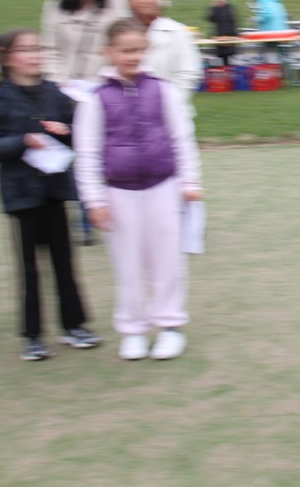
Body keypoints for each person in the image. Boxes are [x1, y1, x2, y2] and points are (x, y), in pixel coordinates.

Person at [74, 19, 203, 361]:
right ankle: (133, 329)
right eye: (125, 50)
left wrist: (190, 182)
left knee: (167, 260)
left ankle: (169, 325)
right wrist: (94, 201)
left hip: (163, 186)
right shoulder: (95, 99)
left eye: (139, 50)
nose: (133, 57)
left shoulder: (163, 90)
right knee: (127, 264)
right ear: (109, 52)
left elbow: (182, 139)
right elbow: (87, 153)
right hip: (119, 192)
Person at [0, 29, 102, 361]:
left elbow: (79, 134)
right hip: (22, 194)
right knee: (29, 267)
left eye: (38, 49)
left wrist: (67, 131)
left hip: (54, 190)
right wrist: (23, 141)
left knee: (64, 261)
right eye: (26, 50)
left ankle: (73, 326)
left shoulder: (55, 93)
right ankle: (33, 336)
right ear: (8, 58)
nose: (34, 55)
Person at [40, 0, 130, 87]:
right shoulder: (53, 8)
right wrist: (58, 81)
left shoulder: (118, 5)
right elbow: (49, 50)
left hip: (104, 85)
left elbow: (127, 44)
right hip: (64, 85)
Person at [123, 0, 203, 107]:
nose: (145, 1)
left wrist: (167, 104)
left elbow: (189, 73)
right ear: (130, 1)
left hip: (167, 109)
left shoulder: (177, 31)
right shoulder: (122, 32)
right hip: (127, 109)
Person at [206, 0, 239, 67]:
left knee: (230, 63)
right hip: (219, 40)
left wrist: (234, 37)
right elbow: (211, 19)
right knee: (222, 63)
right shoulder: (215, 8)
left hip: (230, 39)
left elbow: (233, 22)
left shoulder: (230, 8)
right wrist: (214, 7)